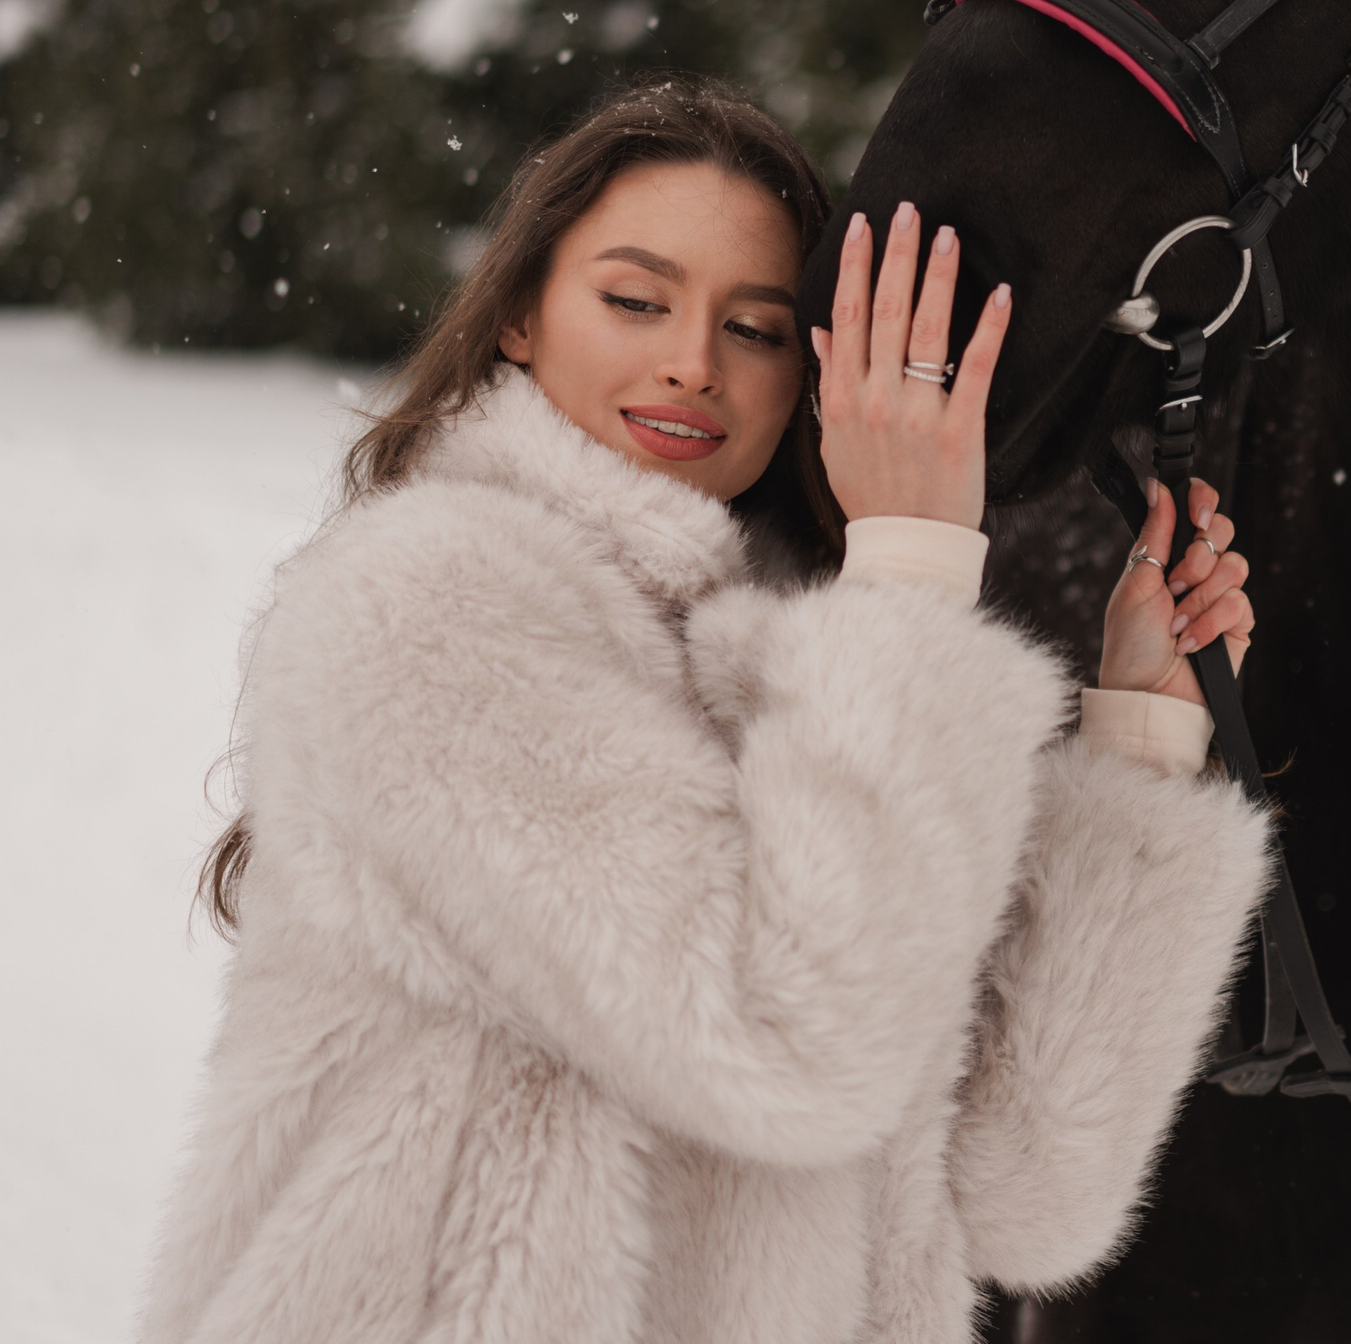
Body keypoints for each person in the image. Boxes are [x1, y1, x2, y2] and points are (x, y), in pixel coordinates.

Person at [138, 79, 1271, 1344]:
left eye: (759, 327)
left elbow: (1028, 1197)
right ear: (518, 312)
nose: (693, 360)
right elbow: (785, 1040)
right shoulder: (426, 604)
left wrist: (1135, 743)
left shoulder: (825, 681)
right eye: (635, 299)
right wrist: (907, 572)